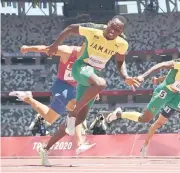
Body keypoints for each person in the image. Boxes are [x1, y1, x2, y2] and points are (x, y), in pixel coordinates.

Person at [37, 16, 140, 166]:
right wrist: (54, 45)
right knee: (101, 83)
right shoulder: (93, 29)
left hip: (92, 75)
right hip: (81, 67)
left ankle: (45, 148)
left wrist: (125, 76)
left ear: (121, 32)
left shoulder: (122, 43)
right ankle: (72, 115)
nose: (113, 31)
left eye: (117, 30)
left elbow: (120, 61)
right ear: (108, 23)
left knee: (81, 118)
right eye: (112, 26)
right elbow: (70, 28)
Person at [106, 56, 180, 153]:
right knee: (144, 119)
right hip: (163, 92)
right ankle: (120, 114)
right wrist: (143, 76)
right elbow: (161, 65)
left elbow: (173, 79)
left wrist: (159, 79)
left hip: (175, 95)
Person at [9, 44, 96, 155]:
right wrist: (28, 48)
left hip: (72, 88)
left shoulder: (88, 59)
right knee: (76, 109)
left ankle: (28, 98)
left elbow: (88, 75)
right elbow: (46, 48)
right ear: (82, 47)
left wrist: (93, 88)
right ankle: (79, 144)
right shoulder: (67, 51)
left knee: (50, 117)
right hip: (61, 86)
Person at [139, 66, 180, 157]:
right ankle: (145, 145)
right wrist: (158, 79)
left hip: (178, 100)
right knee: (158, 123)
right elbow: (168, 77)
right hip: (170, 99)